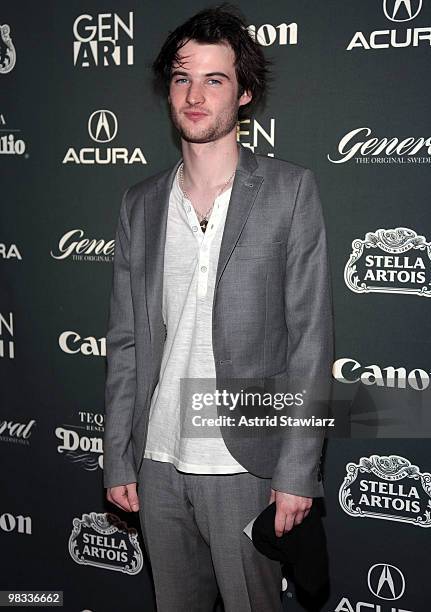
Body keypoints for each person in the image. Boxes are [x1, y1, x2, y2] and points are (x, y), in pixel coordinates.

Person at [103, 5, 333, 611]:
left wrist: (296, 472)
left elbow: (310, 341)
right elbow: (126, 341)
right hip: (156, 462)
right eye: (182, 78)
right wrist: (117, 457)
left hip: (245, 461)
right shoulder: (140, 204)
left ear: (246, 92)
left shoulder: (290, 191)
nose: (195, 94)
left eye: (215, 79)